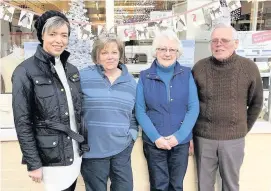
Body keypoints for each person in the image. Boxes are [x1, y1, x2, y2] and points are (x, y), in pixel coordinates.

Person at [11, 10, 89, 191]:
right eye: (52, 34)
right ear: (42, 35)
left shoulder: (71, 70)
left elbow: (77, 112)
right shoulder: (25, 71)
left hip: (74, 153)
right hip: (50, 157)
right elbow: (23, 121)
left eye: (64, 35)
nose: (58, 40)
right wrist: (33, 162)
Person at [192, 24, 263, 191]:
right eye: (215, 40)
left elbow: (257, 103)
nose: (219, 44)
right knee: (204, 186)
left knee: (231, 185)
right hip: (203, 138)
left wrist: (242, 128)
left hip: (234, 139)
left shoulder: (249, 68)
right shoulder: (199, 68)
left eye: (224, 40)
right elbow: (191, 104)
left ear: (236, 43)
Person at [135, 30, 200, 191]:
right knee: (158, 186)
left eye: (172, 50)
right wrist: (156, 138)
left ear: (178, 53)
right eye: (163, 49)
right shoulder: (144, 77)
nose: (167, 53)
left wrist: (178, 137)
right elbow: (140, 110)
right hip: (154, 142)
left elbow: (193, 108)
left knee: (176, 186)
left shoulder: (186, 74)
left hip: (180, 142)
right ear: (155, 51)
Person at [80, 34, 138, 191]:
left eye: (114, 52)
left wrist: (132, 135)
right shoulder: (83, 77)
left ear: (120, 54)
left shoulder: (131, 82)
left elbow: (134, 114)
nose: (110, 57)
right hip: (92, 150)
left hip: (122, 149)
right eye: (104, 52)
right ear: (97, 55)